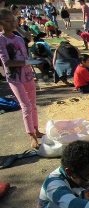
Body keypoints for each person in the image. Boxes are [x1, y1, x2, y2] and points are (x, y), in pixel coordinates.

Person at [0, 8, 44, 149]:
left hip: (27, 75)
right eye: (9, 21)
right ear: (1, 23)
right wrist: (26, 63)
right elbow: (6, 62)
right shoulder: (1, 40)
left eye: (14, 20)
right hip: (14, 77)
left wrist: (31, 66)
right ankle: (30, 135)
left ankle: (36, 130)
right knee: (26, 106)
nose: (13, 23)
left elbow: (29, 43)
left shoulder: (18, 37)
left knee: (33, 104)